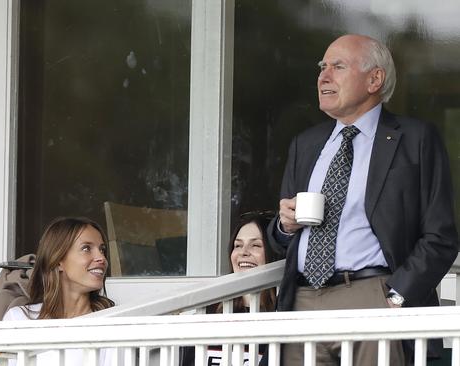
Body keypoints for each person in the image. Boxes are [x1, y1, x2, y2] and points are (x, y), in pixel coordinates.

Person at [269, 34, 459, 365]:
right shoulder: (306, 144)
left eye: (338, 66)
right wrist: (284, 226)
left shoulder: (415, 139)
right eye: (322, 67)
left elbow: (441, 236)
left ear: (375, 79)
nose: (323, 76)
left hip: (372, 296)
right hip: (301, 301)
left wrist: (397, 297)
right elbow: (281, 236)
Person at [2, 217, 116, 366]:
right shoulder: (18, 320)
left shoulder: (111, 323)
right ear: (58, 261)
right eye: (86, 248)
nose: (102, 258)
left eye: (102, 250)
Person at [180, 211, 285, 366]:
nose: (243, 252)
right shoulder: (210, 310)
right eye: (238, 245)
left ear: (273, 254)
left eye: (255, 245)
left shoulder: (284, 314)